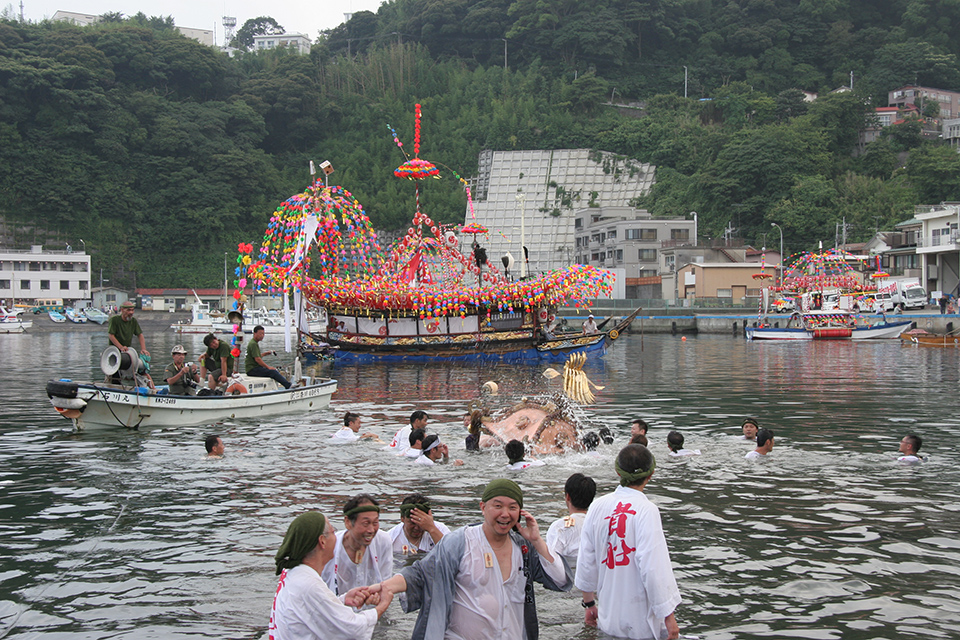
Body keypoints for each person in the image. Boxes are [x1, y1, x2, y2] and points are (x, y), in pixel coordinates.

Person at [374, 478, 572, 640]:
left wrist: (537, 540)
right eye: (498, 506)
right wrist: (386, 587)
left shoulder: (524, 548)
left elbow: (560, 580)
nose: (505, 514)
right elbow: (421, 573)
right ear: (483, 507)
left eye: (512, 507)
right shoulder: (460, 542)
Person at [576, 444, 682, 639]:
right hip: (640, 622)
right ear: (651, 474)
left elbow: (586, 559)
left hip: (608, 618)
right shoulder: (647, 510)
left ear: (618, 471)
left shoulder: (597, 506)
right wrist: (669, 616)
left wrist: (589, 603)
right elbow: (653, 567)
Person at [269, 511, 392, 640]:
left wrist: (343, 600)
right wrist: (382, 606)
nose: (336, 537)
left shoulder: (293, 572)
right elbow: (352, 629)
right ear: (322, 541)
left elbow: (314, 610)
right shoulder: (309, 584)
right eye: (333, 532)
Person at [320, 494, 394, 599]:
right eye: (365, 523)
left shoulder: (383, 541)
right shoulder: (330, 546)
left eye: (375, 523)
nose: (371, 530)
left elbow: (386, 583)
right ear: (348, 522)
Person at [546, 473, 596, 571]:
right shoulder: (598, 524)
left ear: (568, 496)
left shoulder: (560, 527)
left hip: (569, 576)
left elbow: (552, 562)